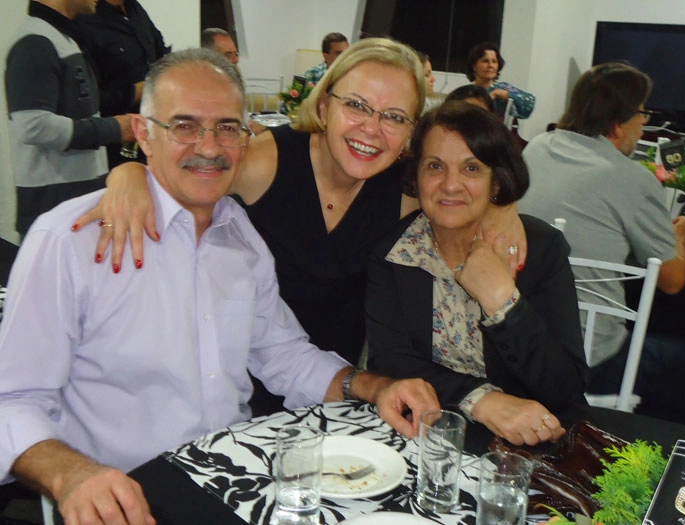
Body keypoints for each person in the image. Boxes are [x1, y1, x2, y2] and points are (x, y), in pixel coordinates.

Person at [0, 48, 439, 525]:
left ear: (245, 138)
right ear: (144, 134)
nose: (209, 147)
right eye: (184, 126)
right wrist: (72, 477)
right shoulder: (70, 241)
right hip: (120, 498)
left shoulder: (241, 238)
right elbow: (13, 399)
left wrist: (373, 386)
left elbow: (283, 355)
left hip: (231, 486)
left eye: (227, 127)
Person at [71, 37, 526, 390]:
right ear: (325, 106)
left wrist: (503, 208)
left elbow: (467, 190)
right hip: (234, 375)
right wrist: (130, 172)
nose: (372, 129)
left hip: (332, 386)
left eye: (393, 116)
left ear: (410, 131)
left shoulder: (403, 189)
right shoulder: (266, 162)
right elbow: (189, 167)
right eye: (357, 106)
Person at [366, 101, 586, 446]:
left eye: (471, 168)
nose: (450, 185)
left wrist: (502, 301)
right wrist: (480, 399)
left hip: (529, 448)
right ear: (416, 177)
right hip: (430, 437)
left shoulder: (541, 249)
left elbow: (565, 388)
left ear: (496, 183)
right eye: (435, 166)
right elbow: (391, 360)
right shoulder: (395, 254)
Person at [519, 62, 685, 397]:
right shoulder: (631, 178)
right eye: (643, 114)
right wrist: (683, 237)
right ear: (617, 125)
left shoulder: (538, 147)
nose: (644, 126)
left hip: (524, 338)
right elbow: (672, 281)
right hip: (590, 357)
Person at [5, 0, 135, 237]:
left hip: (75, 204)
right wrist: (113, 128)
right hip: (52, 211)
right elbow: (32, 126)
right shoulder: (36, 42)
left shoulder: (62, 39)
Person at [76, 0, 169, 168]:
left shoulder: (135, 9)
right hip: (114, 144)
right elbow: (88, 99)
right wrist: (136, 92)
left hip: (152, 131)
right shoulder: (86, 20)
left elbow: (161, 54)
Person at [465, 41, 535, 120]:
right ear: (474, 66)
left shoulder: (502, 88)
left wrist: (505, 94)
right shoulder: (467, 92)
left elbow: (528, 103)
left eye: (494, 61)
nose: (490, 65)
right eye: (485, 61)